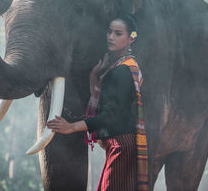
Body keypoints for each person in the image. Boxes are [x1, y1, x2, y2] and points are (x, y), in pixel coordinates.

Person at [46, 14, 148, 191]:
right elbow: (108, 102)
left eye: (118, 33)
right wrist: (94, 78)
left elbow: (109, 115)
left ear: (131, 38)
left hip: (120, 145)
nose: (111, 37)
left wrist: (71, 127)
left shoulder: (122, 71)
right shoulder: (124, 66)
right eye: (109, 32)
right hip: (121, 145)